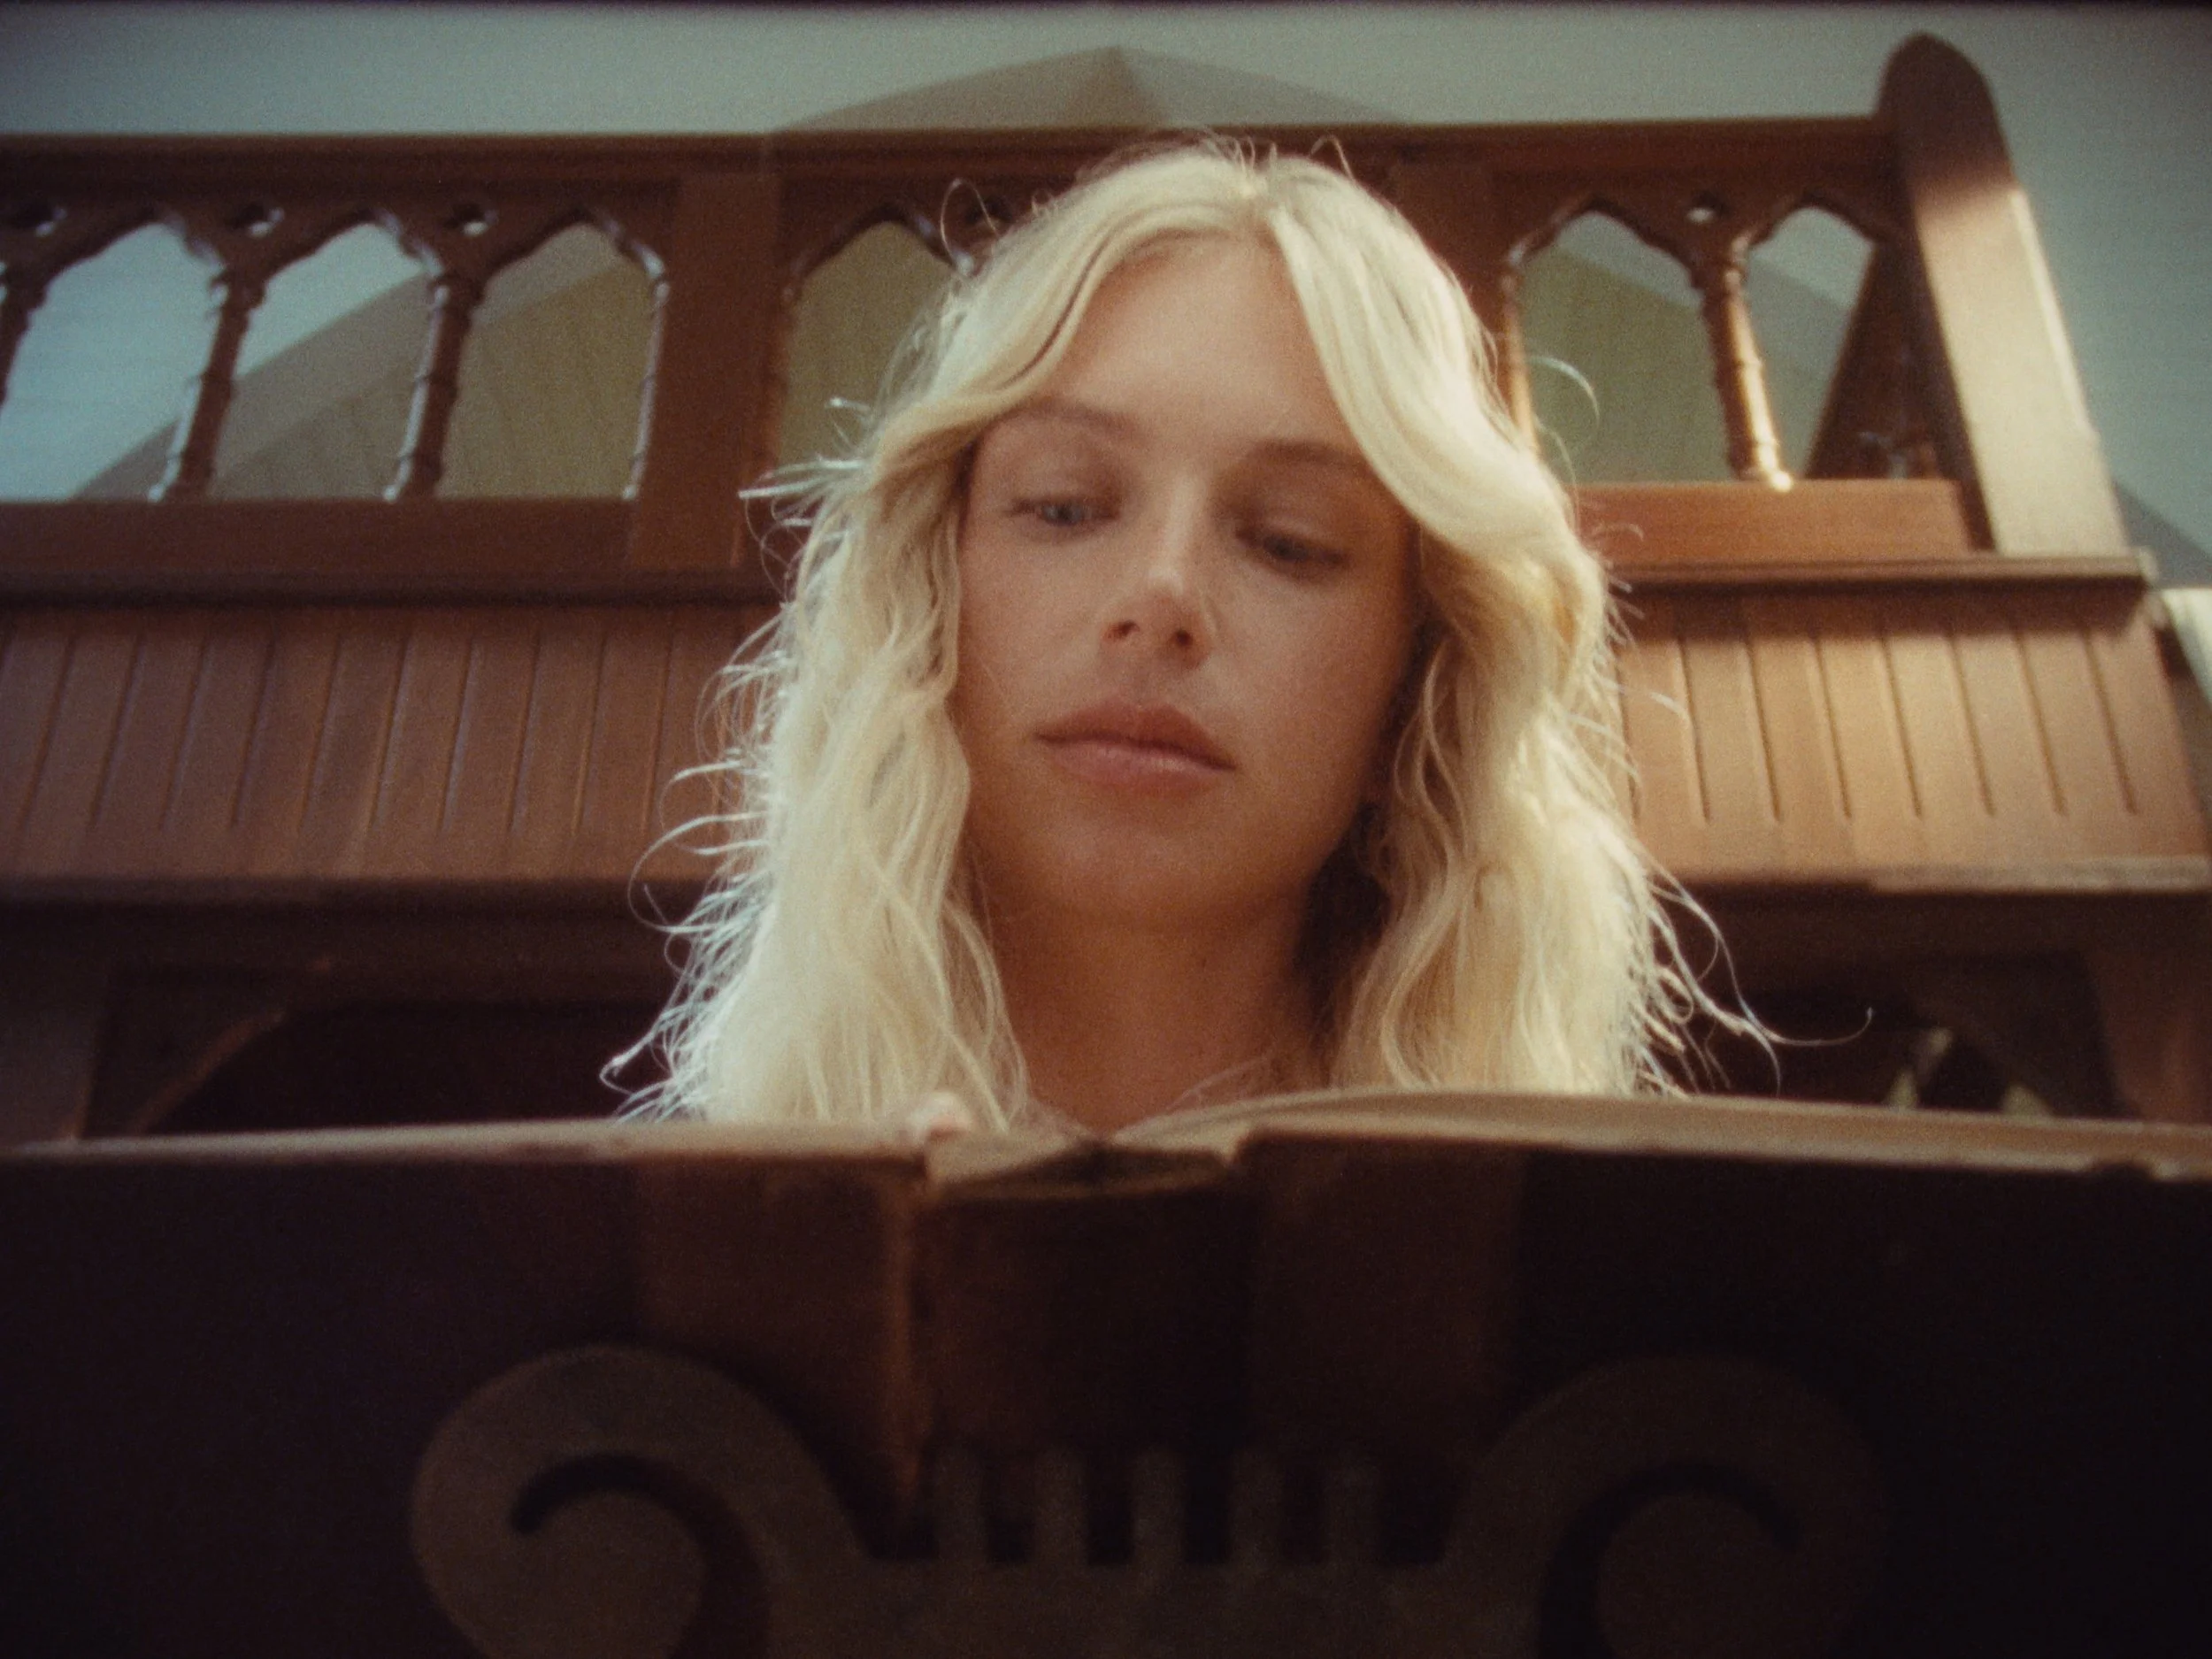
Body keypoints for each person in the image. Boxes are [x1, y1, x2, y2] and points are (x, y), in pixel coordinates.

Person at [629, 140, 1707, 1135]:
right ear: (927, 602)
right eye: (1064, 507)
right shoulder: (686, 1241)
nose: (1161, 593)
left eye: (1288, 543)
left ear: (1412, 692)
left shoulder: (1557, 1253)